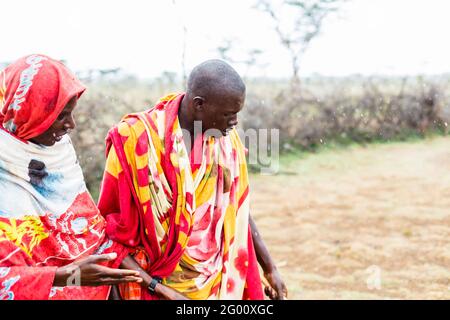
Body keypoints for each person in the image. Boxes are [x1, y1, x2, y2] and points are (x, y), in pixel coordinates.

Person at [98, 59, 288, 300]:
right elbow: (109, 230)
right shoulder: (136, 142)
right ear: (199, 105)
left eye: (237, 114)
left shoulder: (225, 143)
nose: (235, 122)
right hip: (150, 284)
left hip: (214, 283)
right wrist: (159, 288)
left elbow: (237, 211)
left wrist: (269, 267)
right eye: (229, 114)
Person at [0, 54, 184, 300]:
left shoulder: (58, 155)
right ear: (28, 113)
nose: (71, 125)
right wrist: (64, 276)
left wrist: (156, 287)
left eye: (72, 113)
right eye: (60, 116)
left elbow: (93, 234)